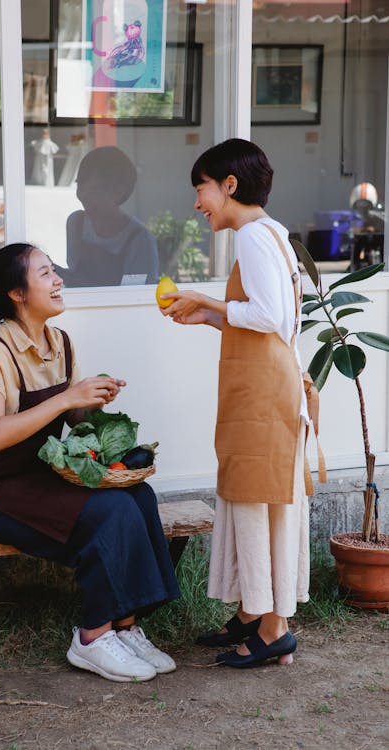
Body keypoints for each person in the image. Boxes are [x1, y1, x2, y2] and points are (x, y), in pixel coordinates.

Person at [0, 242, 179, 682]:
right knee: (109, 513)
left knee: (138, 495)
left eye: (54, 270)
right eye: (45, 273)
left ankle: (125, 624)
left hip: (39, 474)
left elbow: (68, 416)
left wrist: (90, 401)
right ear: (17, 293)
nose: (58, 280)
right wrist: (66, 398)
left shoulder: (60, 342)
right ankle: (93, 637)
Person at [160, 139, 310, 668]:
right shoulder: (270, 233)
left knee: (256, 500)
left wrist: (207, 300)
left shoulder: (251, 237)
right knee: (254, 496)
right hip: (269, 385)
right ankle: (254, 611)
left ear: (228, 185)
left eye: (200, 188)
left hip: (265, 392)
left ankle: (274, 628)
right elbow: (270, 318)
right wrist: (208, 317)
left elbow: (267, 316)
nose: (197, 202)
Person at [55, 146, 159, 286]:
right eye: (81, 186)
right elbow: (75, 276)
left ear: (119, 192)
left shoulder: (139, 239)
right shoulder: (76, 223)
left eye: (94, 190)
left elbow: (138, 295)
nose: (84, 196)